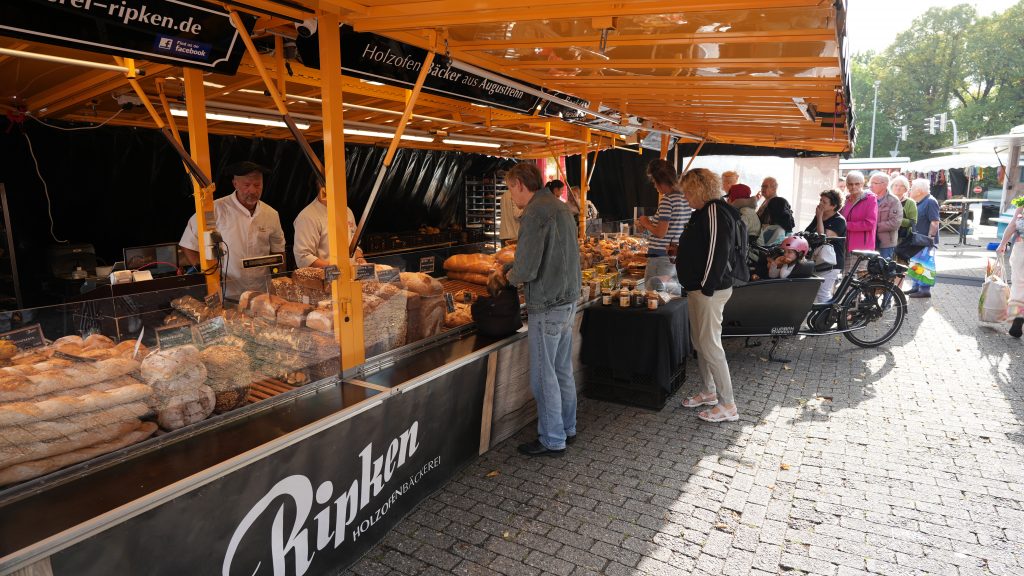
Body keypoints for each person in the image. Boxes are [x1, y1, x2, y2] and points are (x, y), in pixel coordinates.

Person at [493, 163, 581, 456]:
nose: (510, 196)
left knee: (544, 376)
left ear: (520, 184)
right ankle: (567, 428)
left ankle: (552, 439)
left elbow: (527, 268)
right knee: (561, 370)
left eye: (509, 189)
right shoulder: (559, 206)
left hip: (547, 303)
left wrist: (507, 276)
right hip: (568, 299)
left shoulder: (534, 212)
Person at [675, 168, 739, 423]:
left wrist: (705, 287)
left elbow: (718, 252)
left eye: (688, 192)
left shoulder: (713, 210)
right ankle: (710, 392)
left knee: (710, 345)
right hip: (700, 289)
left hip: (708, 291)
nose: (686, 198)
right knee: (701, 343)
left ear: (700, 189)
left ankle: (728, 404)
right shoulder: (705, 212)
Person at [179, 161, 285, 300]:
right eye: (247, 185)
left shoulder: (271, 214)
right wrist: (209, 276)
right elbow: (188, 244)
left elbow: (279, 251)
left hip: (262, 293)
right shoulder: (215, 209)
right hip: (227, 294)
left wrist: (281, 283)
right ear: (235, 184)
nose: (252, 191)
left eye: (257, 185)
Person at [636, 160, 691, 294]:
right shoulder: (685, 198)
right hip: (674, 256)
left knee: (654, 296)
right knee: (671, 295)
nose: (655, 186)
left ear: (661, 181)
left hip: (660, 258)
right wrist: (650, 223)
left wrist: (645, 222)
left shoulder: (667, 200)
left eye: (655, 182)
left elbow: (661, 233)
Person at [292, 187, 363, 268]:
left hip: (351, 276)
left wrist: (360, 258)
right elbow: (303, 258)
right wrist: (337, 269)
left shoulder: (347, 211)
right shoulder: (307, 217)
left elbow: (354, 243)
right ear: (323, 190)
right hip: (325, 278)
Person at [804, 189, 847, 302]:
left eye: (824, 202)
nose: (820, 204)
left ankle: (829, 317)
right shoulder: (819, 216)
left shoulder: (839, 220)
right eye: (820, 200)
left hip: (831, 261)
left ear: (833, 206)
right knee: (813, 292)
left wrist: (819, 217)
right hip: (817, 259)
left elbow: (823, 237)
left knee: (823, 293)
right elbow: (808, 231)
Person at [905, 178, 940, 299]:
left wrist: (930, 238)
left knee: (923, 264)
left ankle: (924, 289)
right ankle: (916, 287)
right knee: (916, 263)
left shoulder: (930, 201)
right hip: (918, 239)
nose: (910, 190)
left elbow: (935, 222)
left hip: (924, 240)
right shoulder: (919, 201)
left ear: (919, 190)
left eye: (912, 188)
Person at [839, 170, 877, 273]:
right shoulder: (846, 200)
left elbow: (870, 224)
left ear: (863, 183)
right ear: (846, 185)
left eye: (857, 184)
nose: (853, 187)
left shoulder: (870, 199)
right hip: (845, 245)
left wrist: (845, 225)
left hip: (861, 248)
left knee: (857, 280)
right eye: (850, 184)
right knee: (845, 278)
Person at [997, 200, 1024, 337]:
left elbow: (1014, 224)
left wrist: (1002, 244)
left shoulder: (1022, 205)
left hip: (1021, 249)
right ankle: (1017, 321)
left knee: (1019, 285)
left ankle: (1017, 321)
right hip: (1021, 250)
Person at [869, 171, 903, 260]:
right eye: (870, 182)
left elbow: (895, 222)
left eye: (874, 183)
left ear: (884, 185)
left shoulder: (893, 200)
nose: (871, 185)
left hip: (886, 243)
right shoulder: (867, 198)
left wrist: (872, 227)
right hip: (869, 241)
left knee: (883, 269)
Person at [756, 177, 794, 244]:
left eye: (765, 186)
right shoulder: (766, 200)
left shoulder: (776, 203)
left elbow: (768, 224)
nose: (762, 189)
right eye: (762, 186)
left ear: (774, 189)